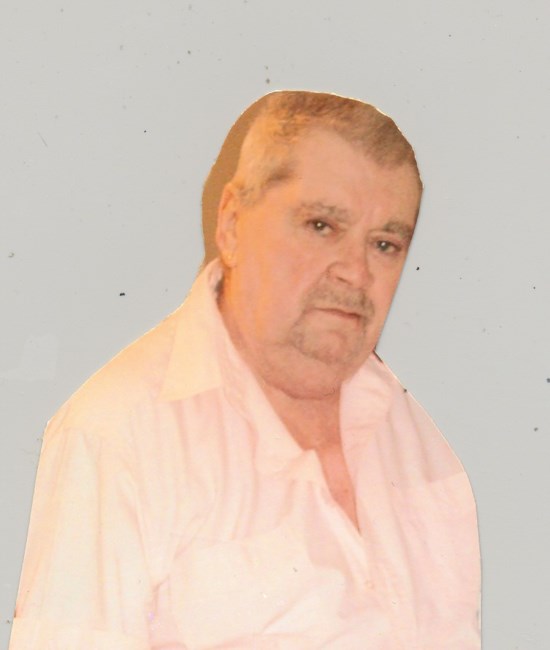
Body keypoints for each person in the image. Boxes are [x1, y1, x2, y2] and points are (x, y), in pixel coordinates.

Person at [10, 91, 480, 649]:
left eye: (384, 244)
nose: (355, 272)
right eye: (321, 226)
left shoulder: (420, 447)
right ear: (231, 223)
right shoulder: (120, 437)